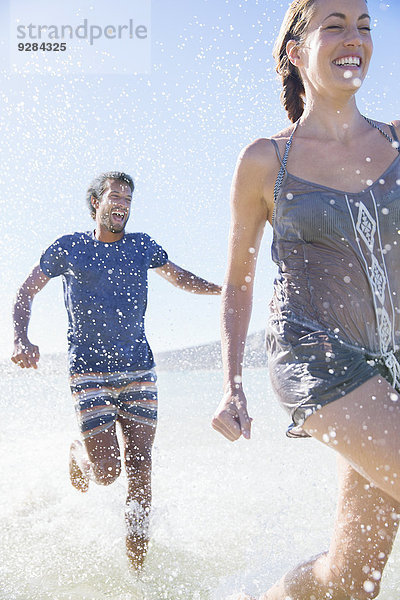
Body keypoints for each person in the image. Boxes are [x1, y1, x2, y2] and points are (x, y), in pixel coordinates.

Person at [212, 0, 400, 598]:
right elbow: (238, 282)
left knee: (348, 582)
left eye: (365, 25)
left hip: (389, 360)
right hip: (316, 360)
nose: (356, 37)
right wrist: (232, 384)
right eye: (336, 24)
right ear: (297, 51)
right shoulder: (268, 160)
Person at [12, 171, 221, 570]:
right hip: (88, 372)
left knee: (141, 466)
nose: (122, 205)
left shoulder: (142, 248)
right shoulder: (69, 248)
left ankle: (137, 570)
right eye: (115, 197)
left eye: (128, 199)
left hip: (139, 370)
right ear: (96, 203)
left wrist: (224, 290)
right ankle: (79, 452)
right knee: (108, 471)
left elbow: (179, 277)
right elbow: (26, 290)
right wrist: (21, 339)